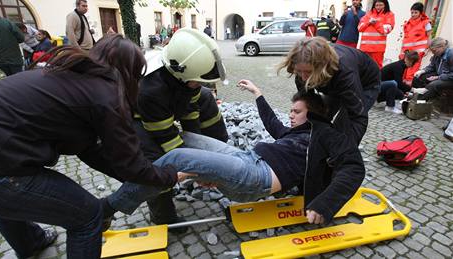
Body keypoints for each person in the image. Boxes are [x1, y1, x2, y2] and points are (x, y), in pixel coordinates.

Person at [0, 34, 178, 259]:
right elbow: (131, 164)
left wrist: (130, 176)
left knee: (5, 201)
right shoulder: (107, 95)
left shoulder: (70, 78)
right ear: (130, 71)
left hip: (1, 153)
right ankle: (33, 241)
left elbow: (87, 148)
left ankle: (32, 243)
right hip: (1, 166)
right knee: (89, 217)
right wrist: (169, 176)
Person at [104, 81, 365, 225]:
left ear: (314, 114)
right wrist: (258, 92)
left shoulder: (327, 136)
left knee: (176, 158)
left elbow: (354, 167)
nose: (291, 115)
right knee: (185, 139)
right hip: (246, 159)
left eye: (296, 111)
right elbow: (273, 124)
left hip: (256, 177)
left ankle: (108, 208)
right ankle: (184, 175)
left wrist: (324, 205)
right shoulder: (294, 133)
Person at [102, 28, 228, 231]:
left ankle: (224, 161)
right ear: (182, 74)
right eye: (197, 81)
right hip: (137, 119)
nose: (199, 84)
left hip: (165, 105)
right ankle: (163, 215)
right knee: (157, 162)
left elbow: (190, 110)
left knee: (206, 98)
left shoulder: (187, 76)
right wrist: (197, 167)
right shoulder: (151, 89)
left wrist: (206, 154)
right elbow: (169, 141)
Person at [278, 37, 380, 146]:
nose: (303, 78)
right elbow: (309, 102)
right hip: (333, 83)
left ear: (321, 67)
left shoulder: (345, 72)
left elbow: (358, 117)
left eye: (308, 72)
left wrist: (347, 153)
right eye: (299, 71)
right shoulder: (303, 69)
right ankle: (315, 146)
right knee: (321, 115)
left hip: (366, 84)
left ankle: (337, 153)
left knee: (343, 126)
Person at [400, 2, 432, 82]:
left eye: (415, 12)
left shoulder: (426, 23)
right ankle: (402, 88)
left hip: (417, 53)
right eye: (412, 12)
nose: (413, 14)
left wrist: (426, 49)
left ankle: (408, 89)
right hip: (406, 52)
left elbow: (429, 37)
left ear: (421, 13)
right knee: (403, 71)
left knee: (411, 72)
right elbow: (405, 38)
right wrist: (401, 51)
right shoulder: (407, 24)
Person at [358, 0, 395, 68]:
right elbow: (359, 28)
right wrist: (368, 22)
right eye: (376, 5)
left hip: (377, 49)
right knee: (364, 67)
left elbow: (386, 30)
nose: (378, 7)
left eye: (381, 5)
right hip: (365, 48)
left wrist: (376, 23)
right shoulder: (369, 14)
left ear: (385, 5)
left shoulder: (389, 14)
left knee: (376, 68)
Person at [0, 4, 24, 76]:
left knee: (8, 81)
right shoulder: (7, 22)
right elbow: (21, 38)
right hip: (14, 58)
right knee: (19, 80)